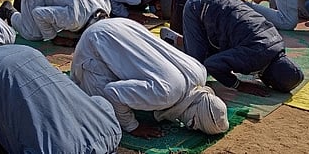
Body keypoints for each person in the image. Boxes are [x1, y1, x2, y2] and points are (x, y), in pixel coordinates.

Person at [71, 17, 229, 137]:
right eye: (192, 123)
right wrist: (133, 126)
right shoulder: (165, 95)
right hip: (96, 42)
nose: (187, 124)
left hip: (120, 25)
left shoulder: (200, 73)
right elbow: (112, 92)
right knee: (101, 113)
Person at [160, 0, 304, 96]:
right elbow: (212, 64)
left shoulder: (277, 43)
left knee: (210, 54)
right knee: (197, 71)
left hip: (218, 2)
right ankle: (164, 49)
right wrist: (238, 85)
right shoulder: (256, 57)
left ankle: (181, 40)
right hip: (198, 9)